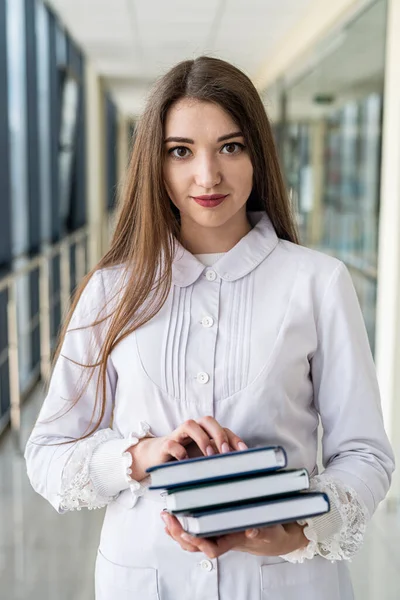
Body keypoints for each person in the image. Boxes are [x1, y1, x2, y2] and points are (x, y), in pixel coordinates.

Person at [25, 56, 394, 600]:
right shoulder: (110, 290)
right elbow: (48, 454)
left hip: (288, 583)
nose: (207, 176)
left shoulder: (318, 282)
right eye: (181, 151)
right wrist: (140, 457)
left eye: (230, 146)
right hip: (142, 579)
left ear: (258, 155)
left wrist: (297, 530)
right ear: (156, 163)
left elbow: (366, 455)